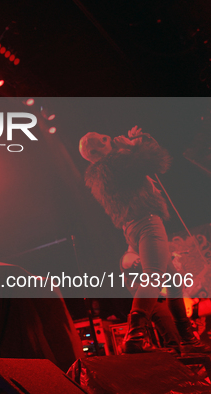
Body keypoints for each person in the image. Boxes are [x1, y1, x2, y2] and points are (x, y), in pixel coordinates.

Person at [80, 126, 209, 354]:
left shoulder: (103, 172)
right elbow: (156, 162)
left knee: (174, 282)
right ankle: (134, 336)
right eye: (101, 139)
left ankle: (187, 339)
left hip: (133, 226)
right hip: (147, 222)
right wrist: (133, 146)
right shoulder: (115, 164)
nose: (107, 138)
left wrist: (135, 147)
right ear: (96, 149)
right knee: (154, 276)